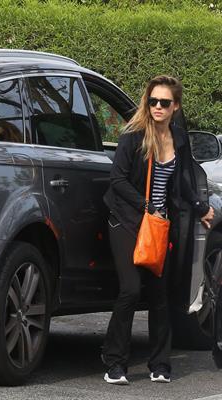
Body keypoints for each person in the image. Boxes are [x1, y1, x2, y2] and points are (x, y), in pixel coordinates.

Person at [101, 75, 214, 385]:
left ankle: (160, 364)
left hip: (159, 226)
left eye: (165, 102)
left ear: (175, 106)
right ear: (147, 104)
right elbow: (117, 181)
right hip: (127, 222)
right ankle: (114, 362)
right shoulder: (133, 137)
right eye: (153, 102)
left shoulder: (177, 139)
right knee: (131, 289)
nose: (158, 107)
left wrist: (199, 206)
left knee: (160, 294)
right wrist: (146, 205)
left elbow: (183, 180)